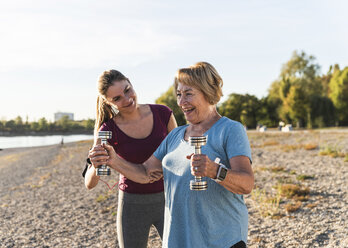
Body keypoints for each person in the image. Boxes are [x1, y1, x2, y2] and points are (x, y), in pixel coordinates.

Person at [90, 62, 254, 248]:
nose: (181, 102)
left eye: (188, 94)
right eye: (179, 94)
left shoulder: (230, 130)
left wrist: (216, 171)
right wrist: (113, 160)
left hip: (222, 240)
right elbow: (145, 173)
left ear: (208, 92)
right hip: (179, 241)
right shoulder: (176, 135)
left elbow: (247, 184)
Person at [83, 69, 177, 248]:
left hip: (170, 200)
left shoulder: (163, 114)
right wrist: (96, 165)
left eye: (127, 90)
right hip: (132, 205)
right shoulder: (107, 130)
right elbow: (89, 183)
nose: (127, 99)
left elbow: (179, 155)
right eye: (117, 98)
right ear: (108, 102)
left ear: (130, 82)